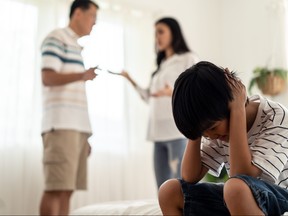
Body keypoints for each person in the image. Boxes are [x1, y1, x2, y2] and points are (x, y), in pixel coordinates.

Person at [158, 61, 288, 215]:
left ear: (230, 103)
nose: (211, 137)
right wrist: (195, 130)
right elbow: (190, 175)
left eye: (212, 128)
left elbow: (242, 176)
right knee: (169, 191)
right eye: (203, 133)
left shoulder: (276, 117)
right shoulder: (216, 129)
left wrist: (237, 109)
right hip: (240, 200)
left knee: (235, 187)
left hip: (281, 198)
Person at [120, 17, 199, 188]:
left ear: (174, 33)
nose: (157, 37)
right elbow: (150, 97)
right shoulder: (161, 65)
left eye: (161, 32)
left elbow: (196, 92)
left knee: (182, 184)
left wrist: (173, 92)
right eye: (155, 33)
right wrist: (130, 80)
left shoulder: (188, 58)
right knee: (162, 187)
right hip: (157, 132)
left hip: (177, 131)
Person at [39, 1, 99, 215]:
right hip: (60, 125)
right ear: (78, 14)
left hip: (76, 128)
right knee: (56, 188)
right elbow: (47, 77)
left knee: (67, 190)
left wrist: (85, 134)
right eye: (92, 15)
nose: (95, 22)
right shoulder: (57, 37)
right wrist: (82, 75)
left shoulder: (75, 46)